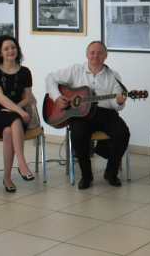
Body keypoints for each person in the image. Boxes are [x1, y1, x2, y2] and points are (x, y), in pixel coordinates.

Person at [45, 41, 130, 189]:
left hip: (105, 113)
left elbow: (115, 104)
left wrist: (119, 101)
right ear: (87, 54)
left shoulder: (113, 76)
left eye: (100, 53)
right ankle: (86, 176)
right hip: (80, 114)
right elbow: (50, 77)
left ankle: (111, 173)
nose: (95, 56)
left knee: (123, 133)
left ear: (106, 56)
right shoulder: (76, 70)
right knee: (78, 135)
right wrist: (57, 97)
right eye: (92, 52)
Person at [0, 35, 35, 193]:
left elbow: (28, 97)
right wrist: (19, 111)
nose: (11, 51)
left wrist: (16, 108)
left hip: (16, 112)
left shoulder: (25, 71)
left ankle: (7, 177)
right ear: (0, 52)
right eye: (6, 49)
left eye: (13, 47)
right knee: (15, 120)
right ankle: (22, 163)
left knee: (8, 131)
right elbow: (0, 97)